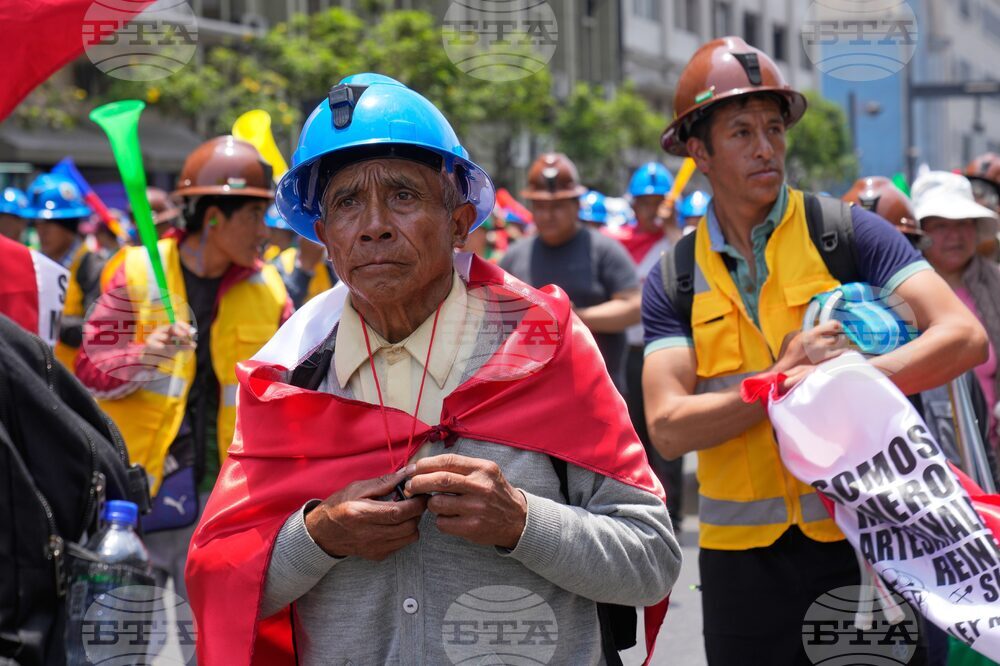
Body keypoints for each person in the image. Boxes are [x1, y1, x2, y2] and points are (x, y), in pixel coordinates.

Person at [185, 73, 681, 666]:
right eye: (346, 203)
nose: (373, 224)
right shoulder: (288, 382)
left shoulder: (543, 351)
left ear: (458, 220)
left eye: (403, 195)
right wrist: (318, 537)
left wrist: (521, 521)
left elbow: (651, 560)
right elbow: (219, 580)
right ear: (323, 237)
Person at [642, 37, 987, 665]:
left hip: (863, 541)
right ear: (699, 151)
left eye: (773, 127)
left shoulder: (848, 232)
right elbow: (666, 427)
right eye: (742, 131)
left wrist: (845, 380)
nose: (766, 146)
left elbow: (962, 336)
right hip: (740, 570)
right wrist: (779, 380)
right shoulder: (674, 276)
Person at [75, 135, 292, 603]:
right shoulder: (134, 271)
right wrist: (142, 354)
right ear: (213, 217)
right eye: (254, 215)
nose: (266, 231)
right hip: (136, 504)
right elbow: (88, 371)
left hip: (229, 507)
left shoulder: (270, 288)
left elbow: (292, 392)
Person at [500, 153, 640, 391]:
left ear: (576, 205)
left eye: (557, 206)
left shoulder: (604, 250)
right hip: (531, 395)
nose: (548, 215)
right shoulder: (515, 256)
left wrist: (573, 317)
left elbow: (633, 308)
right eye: (540, 206)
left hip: (597, 393)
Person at [912, 170, 1000, 453]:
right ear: (921, 231)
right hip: (927, 455)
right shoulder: (899, 294)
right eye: (940, 225)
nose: (955, 235)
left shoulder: (996, 284)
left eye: (963, 223)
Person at [25, 172, 101, 371]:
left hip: (77, 384)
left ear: (68, 224)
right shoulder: (32, 262)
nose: (42, 232)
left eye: (49, 223)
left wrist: (47, 321)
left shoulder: (93, 266)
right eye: (38, 223)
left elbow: (94, 329)